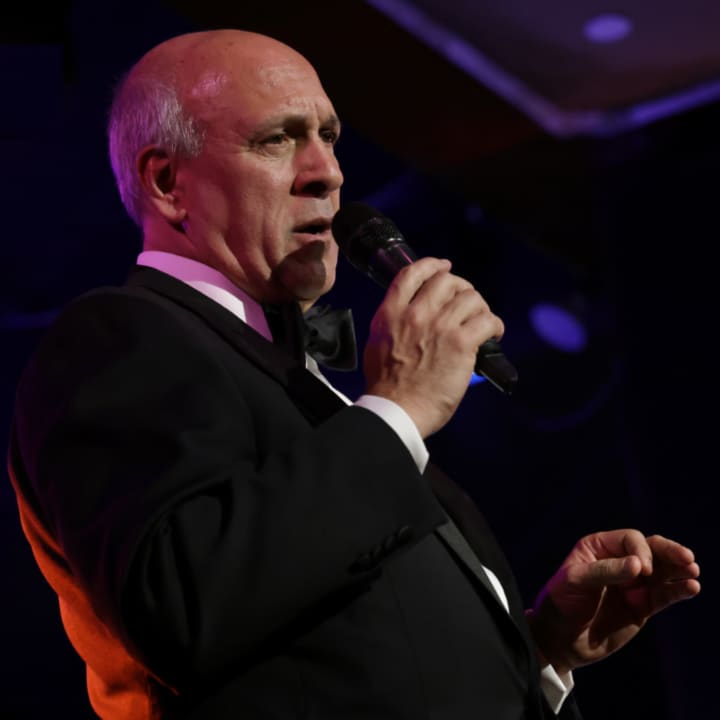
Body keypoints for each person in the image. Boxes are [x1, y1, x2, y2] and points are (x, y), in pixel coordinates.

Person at [7, 28, 700, 720]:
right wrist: (399, 408)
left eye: (330, 137)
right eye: (276, 140)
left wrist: (536, 650)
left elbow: (347, 650)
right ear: (167, 183)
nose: (328, 173)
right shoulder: (118, 337)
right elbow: (181, 604)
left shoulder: (309, 387)